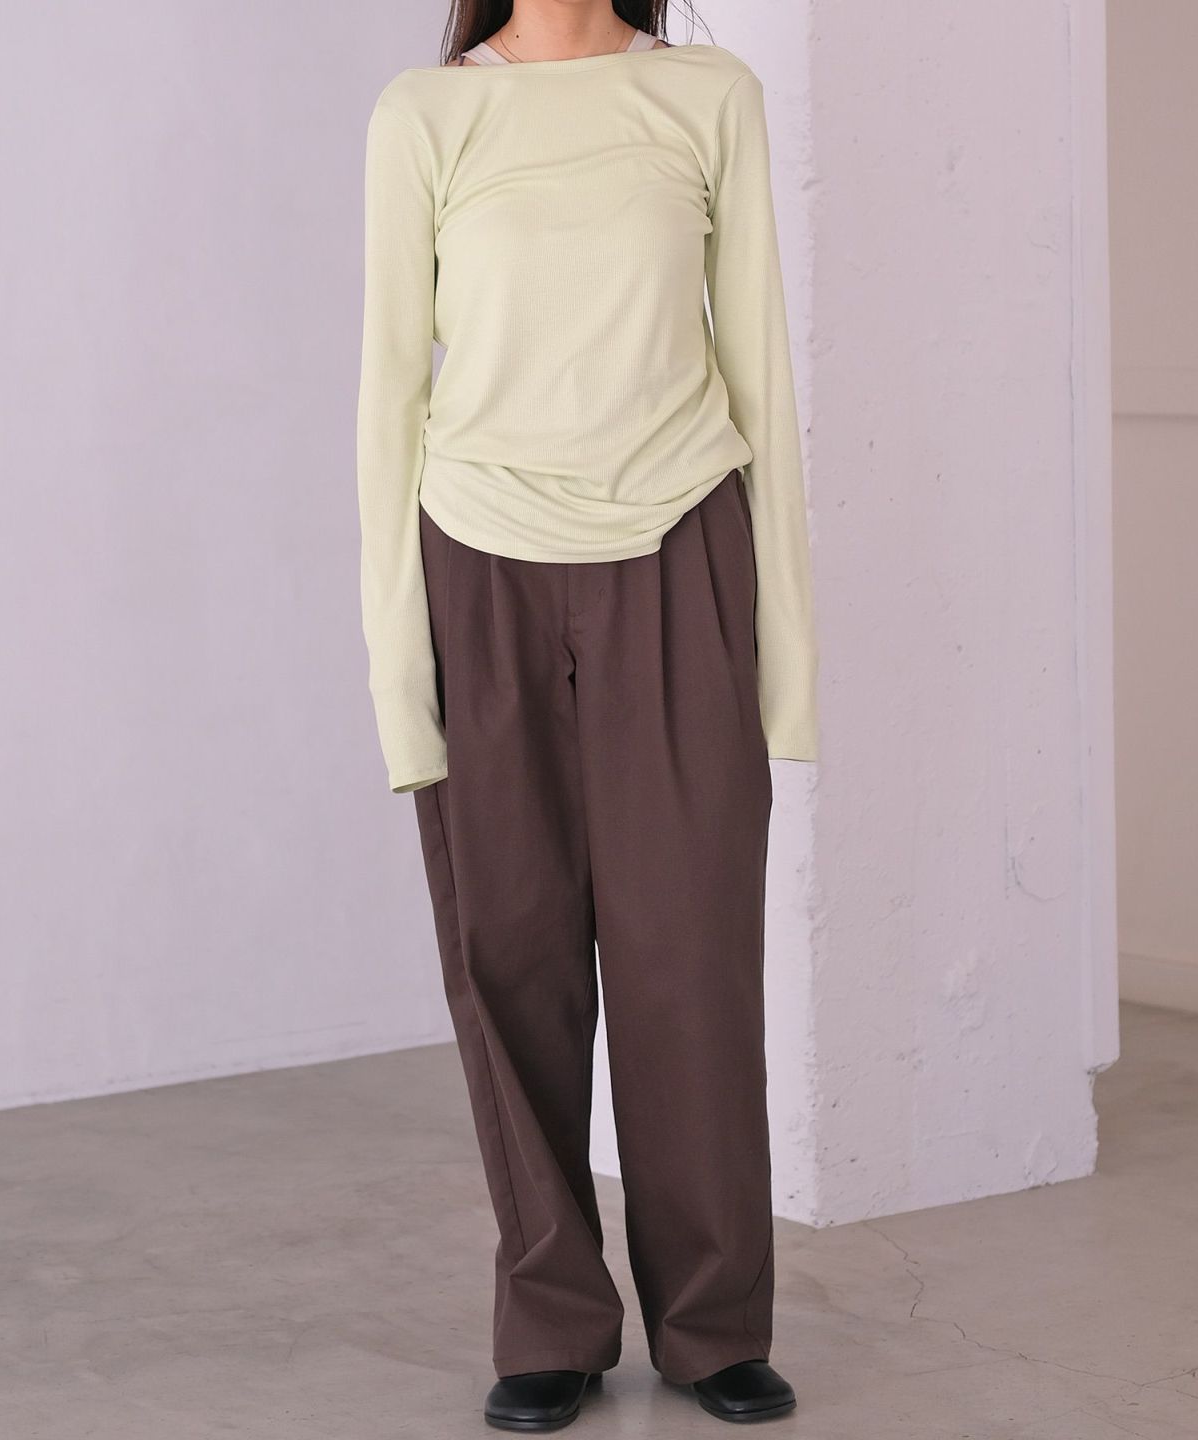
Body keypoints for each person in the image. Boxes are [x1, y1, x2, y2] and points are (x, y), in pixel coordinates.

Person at [355, 0, 818, 1428]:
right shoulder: (426, 115)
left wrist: (789, 665)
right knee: (513, 958)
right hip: (476, 559)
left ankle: (712, 1323)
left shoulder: (709, 95)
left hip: (681, 545)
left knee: (693, 957)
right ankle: (551, 1318)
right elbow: (387, 395)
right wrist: (399, 675)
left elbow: (762, 374)